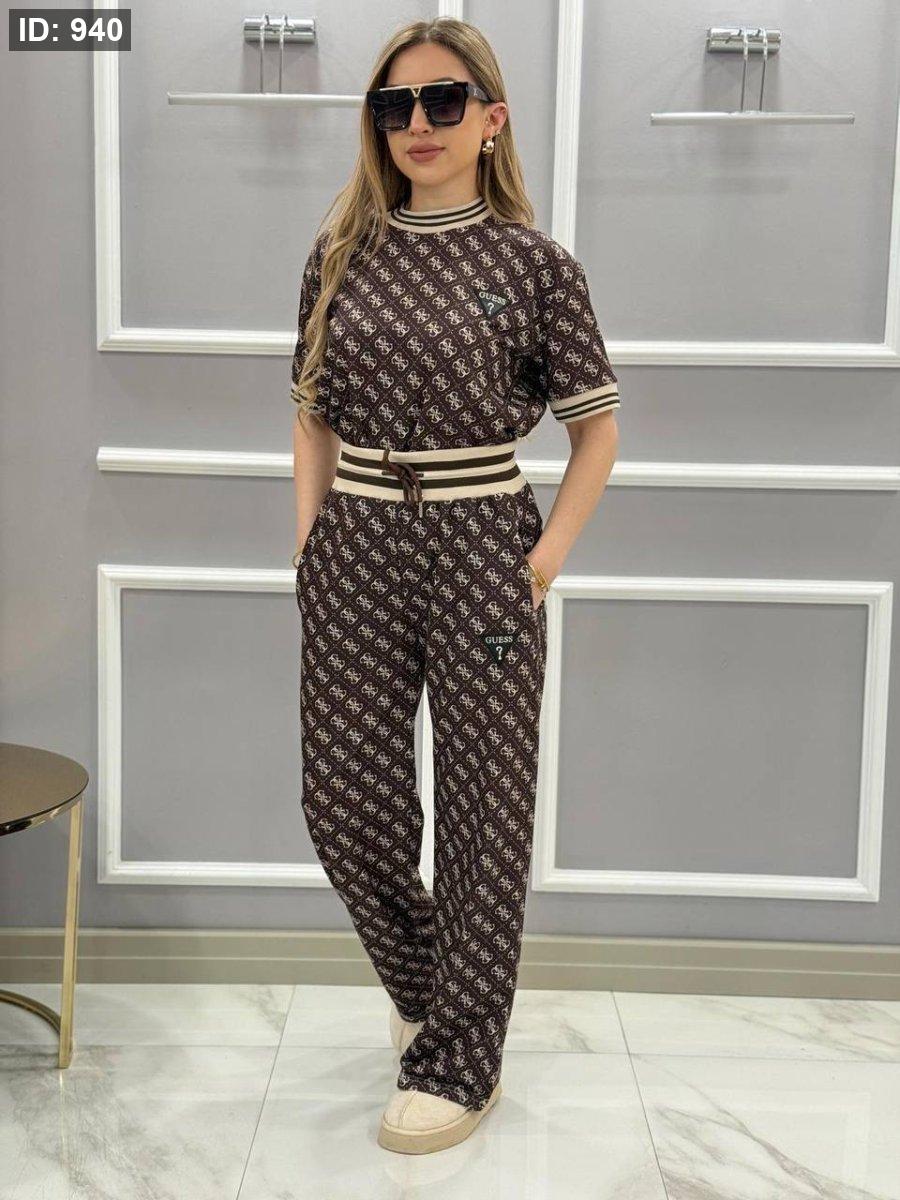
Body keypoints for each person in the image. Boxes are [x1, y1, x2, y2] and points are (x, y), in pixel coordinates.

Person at [289, 16, 619, 1155]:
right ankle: (436, 993)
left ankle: (461, 1060)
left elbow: (597, 431)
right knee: (344, 803)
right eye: (394, 105)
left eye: (442, 101)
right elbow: (312, 415)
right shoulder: (340, 255)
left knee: (486, 808)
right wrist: (309, 545)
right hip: (358, 541)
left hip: (486, 543)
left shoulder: (535, 265)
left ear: (492, 118)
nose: (417, 124)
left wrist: (540, 564)